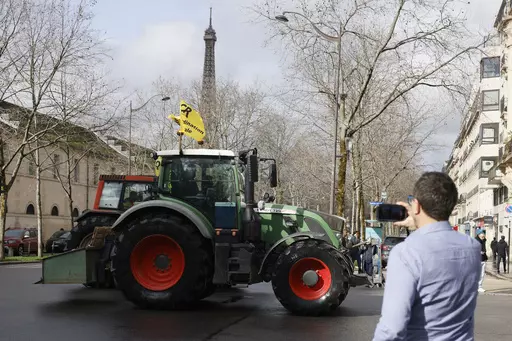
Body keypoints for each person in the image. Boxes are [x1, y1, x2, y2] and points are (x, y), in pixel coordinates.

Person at [372, 172, 481, 341]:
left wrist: (418, 222)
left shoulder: (405, 253)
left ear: (415, 206)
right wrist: (419, 223)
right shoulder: (472, 247)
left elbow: (392, 329)